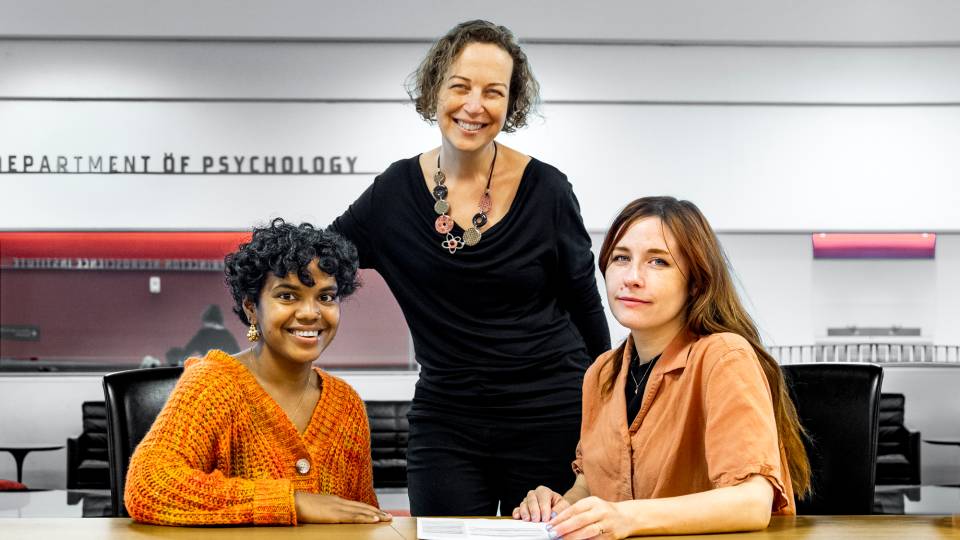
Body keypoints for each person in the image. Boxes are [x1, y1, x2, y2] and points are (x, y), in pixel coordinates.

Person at [330, 20, 610, 516]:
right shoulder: (394, 194)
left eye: (493, 92)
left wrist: (604, 415)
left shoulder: (547, 190)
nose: (474, 105)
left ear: (511, 102)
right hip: (448, 415)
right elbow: (320, 259)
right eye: (460, 86)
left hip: (550, 409)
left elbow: (586, 308)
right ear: (435, 89)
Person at [512, 197, 811, 538]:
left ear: (696, 283)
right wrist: (559, 507)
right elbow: (591, 486)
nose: (632, 277)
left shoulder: (724, 356)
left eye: (658, 262)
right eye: (621, 258)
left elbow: (751, 502)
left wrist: (626, 517)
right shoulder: (601, 373)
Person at [124, 218, 391, 526]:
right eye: (287, 295)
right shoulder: (213, 384)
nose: (309, 313)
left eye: (325, 296)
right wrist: (291, 502)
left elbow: (362, 517)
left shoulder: (346, 405)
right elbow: (149, 485)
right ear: (251, 306)